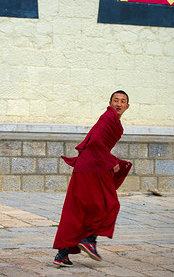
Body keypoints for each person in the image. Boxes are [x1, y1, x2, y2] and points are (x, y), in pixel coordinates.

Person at [53, 90, 133, 267]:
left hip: (89, 166)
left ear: (128, 106)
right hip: (93, 166)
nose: (119, 104)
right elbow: (96, 141)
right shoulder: (108, 117)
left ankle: (62, 254)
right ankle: (89, 239)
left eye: (123, 101)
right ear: (110, 103)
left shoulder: (113, 120)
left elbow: (100, 143)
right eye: (115, 100)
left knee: (78, 210)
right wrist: (111, 160)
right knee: (109, 204)